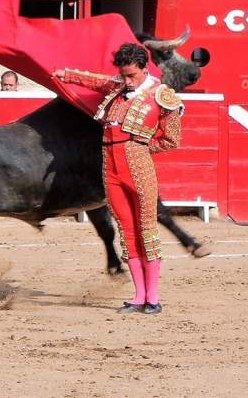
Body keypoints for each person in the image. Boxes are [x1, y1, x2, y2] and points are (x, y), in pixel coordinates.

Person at [53, 43, 184, 315]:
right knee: (126, 230)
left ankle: (153, 297)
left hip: (138, 165)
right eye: (123, 76)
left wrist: (140, 146)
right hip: (110, 165)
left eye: (131, 76)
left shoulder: (163, 96)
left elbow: (172, 140)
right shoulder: (117, 88)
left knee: (146, 229)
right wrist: (63, 74)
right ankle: (138, 297)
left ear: (145, 69)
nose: (125, 81)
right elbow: (94, 80)